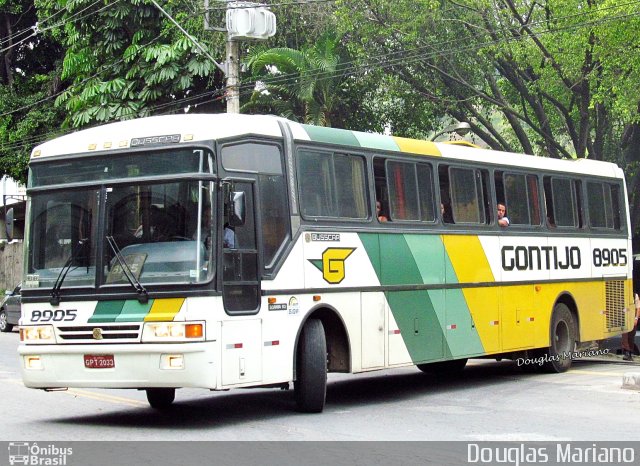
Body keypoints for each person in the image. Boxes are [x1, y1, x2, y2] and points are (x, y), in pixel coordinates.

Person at [622, 293, 640, 361]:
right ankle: (626, 352)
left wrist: (636, 318)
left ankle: (630, 353)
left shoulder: (635, 295)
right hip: (624, 318)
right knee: (625, 336)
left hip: (632, 318)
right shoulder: (622, 294)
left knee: (631, 336)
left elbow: (638, 308)